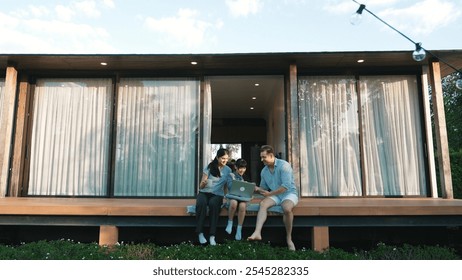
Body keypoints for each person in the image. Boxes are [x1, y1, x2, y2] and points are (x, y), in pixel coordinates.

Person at [247, 145, 299, 251]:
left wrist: (269, 194)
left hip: (289, 193)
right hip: (275, 195)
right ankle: (257, 232)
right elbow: (263, 188)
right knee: (263, 204)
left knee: (287, 208)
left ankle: (289, 238)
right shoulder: (264, 171)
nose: (262, 160)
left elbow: (285, 187)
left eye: (264, 157)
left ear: (271, 155)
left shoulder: (284, 165)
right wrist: (255, 188)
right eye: (261, 157)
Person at [195, 148, 232, 245]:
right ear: (217, 157)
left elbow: (226, 186)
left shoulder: (228, 170)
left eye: (227, 159)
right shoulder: (209, 167)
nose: (225, 161)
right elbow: (200, 186)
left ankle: (212, 235)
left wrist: (226, 197)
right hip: (204, 192)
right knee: (201, 203)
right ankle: (200, 232)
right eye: (223, 158)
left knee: (213, 204)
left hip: (217, 195)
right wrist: (204, 183)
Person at [225, 158, 249, 240]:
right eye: (240, 168)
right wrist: (241, 184)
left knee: (242, 206)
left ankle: (239, 229)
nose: (242, 170)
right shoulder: (231, 175)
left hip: (242, 197)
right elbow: (230, 187)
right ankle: (230, 222)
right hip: (233, 197)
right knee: (233, 204)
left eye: (244, 168)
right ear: (235, 167)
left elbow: (249, 190)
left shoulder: (246, 177)